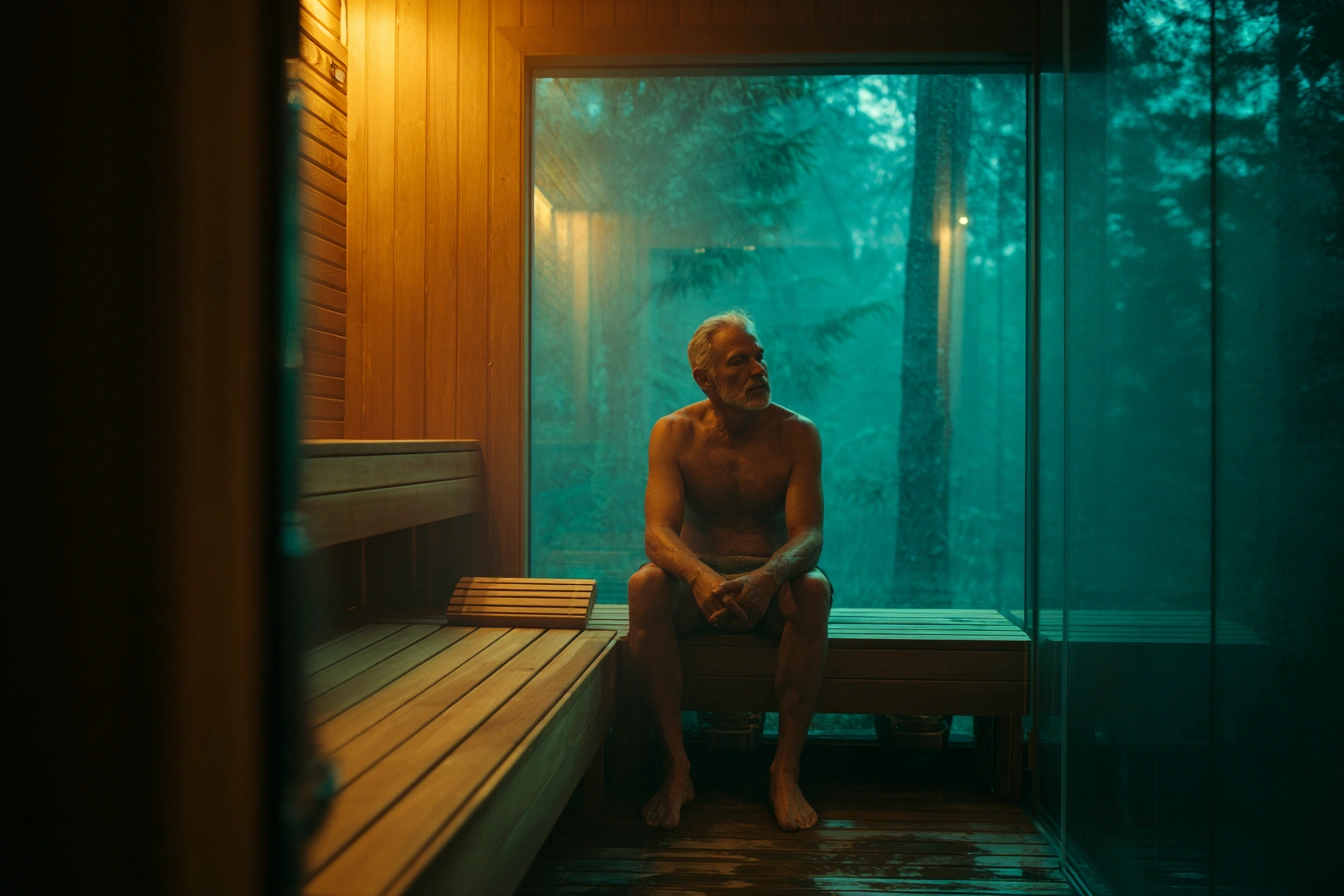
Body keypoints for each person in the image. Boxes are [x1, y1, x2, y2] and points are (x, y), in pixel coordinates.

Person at [627, 309, 831, 832]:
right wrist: (699, 577)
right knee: (645, 584)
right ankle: (677, 769)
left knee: (813, 590)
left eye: (759, 357)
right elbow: (657, 534)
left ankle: (785, 772)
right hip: (697, 588)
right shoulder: (674, 433)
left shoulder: (796, 433)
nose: (758, 370)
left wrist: (767, 578)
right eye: (739, 362)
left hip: (771, 591)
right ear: (706, 378)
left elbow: (809, 535)